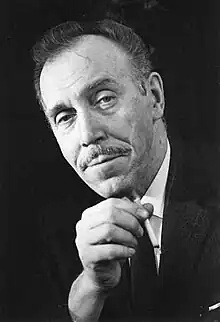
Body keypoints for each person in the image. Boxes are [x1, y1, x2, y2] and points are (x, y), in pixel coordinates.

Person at [33, 19, 220, 321]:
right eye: (65, 116)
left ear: (155, 98)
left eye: (104, 99)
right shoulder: (49, 229)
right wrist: (90, 289)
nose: (87, 134)